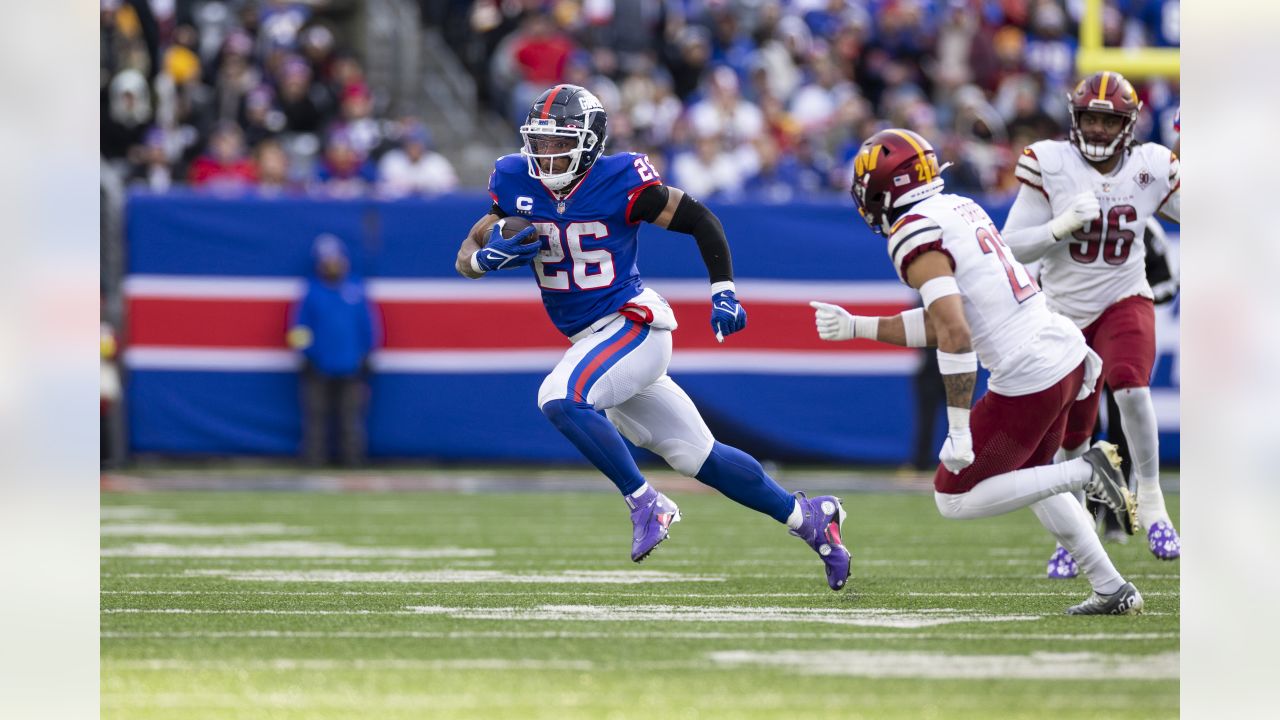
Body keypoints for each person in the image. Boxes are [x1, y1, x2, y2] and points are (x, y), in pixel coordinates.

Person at [452, 84, 850, 591]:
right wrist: (483, 260)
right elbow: (468, 248)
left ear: (591, 142)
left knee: (559, 397)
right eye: (542, 142)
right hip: (594, 342)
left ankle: (645, 501)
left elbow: (700, 219)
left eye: (560, 142)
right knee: (697, 456)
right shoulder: (514, 178)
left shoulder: (619, 180)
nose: (548, 154)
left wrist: (723, 290)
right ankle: (810, 518)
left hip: (632, 325)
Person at [810, 128, 1142, 615]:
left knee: (953, 497)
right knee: (1032, 476)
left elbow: (956, 333)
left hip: (1030, 371)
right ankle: (1112, 587)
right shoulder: (958, 207)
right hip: (1062, 352)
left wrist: (960, 429)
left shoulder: (912, 229)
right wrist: (858, 325)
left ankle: (1086, 470)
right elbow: (946, 319)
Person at [1000, 71, 1181, 572]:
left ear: (1128, 124)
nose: (1099, 130)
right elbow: (1009, 244)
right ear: (1075, 119)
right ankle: (1077, 528)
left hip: (1124, 295)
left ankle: (1152, 501)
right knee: (1072, 433)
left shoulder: (1151, 165)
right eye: (1091, 119)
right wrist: (1058, 228)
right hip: (1062, 312)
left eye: (1108, 120)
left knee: (1131, 388)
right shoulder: (1050, 163)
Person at [288, 235, 381, 467]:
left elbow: (368, 326)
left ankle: (352, 460)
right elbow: (299, 327)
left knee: (350, 417)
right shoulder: (311, 293)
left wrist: (368, 354)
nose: (332, 264)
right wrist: (305, 355)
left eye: (335, 259)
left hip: (351, 365)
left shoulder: (356, 289)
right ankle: (314, 460)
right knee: (316, 416)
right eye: (326, 260)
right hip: (319, 365)